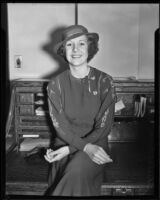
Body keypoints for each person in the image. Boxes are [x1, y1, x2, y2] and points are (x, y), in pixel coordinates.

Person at [44, 24, 116, 196]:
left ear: (90, 48)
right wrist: (71, 148)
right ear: (63, 50)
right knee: (69, 172)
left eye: (81, 43)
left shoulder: (105, 81)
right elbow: (60, 128)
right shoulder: (55, 85)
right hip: (63, 145)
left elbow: (104, 127)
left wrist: (78, 149)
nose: (75, 49)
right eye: (69, 44)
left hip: (95, 145)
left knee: (76, 171)